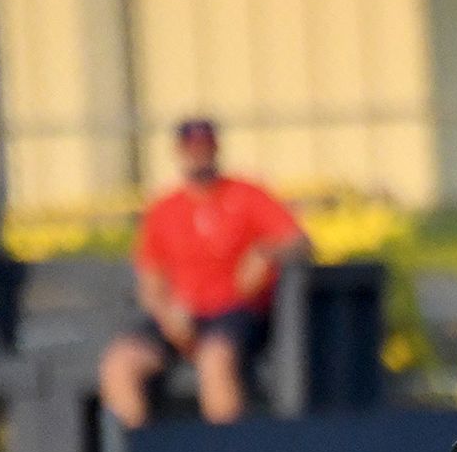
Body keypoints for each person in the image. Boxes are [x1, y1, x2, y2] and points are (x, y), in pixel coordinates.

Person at [98, 118, 309, 428]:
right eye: (191, 149)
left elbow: (299, 241)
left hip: (234, 313)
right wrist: (167, 314)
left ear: (216, 150)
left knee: (215, 360)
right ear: (179, 152)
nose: (198, 156)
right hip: (181, 316)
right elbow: (150, 278)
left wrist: (264, 252)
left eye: (204, 149)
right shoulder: (165, 208)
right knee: (119, 363)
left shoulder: (246, 195)